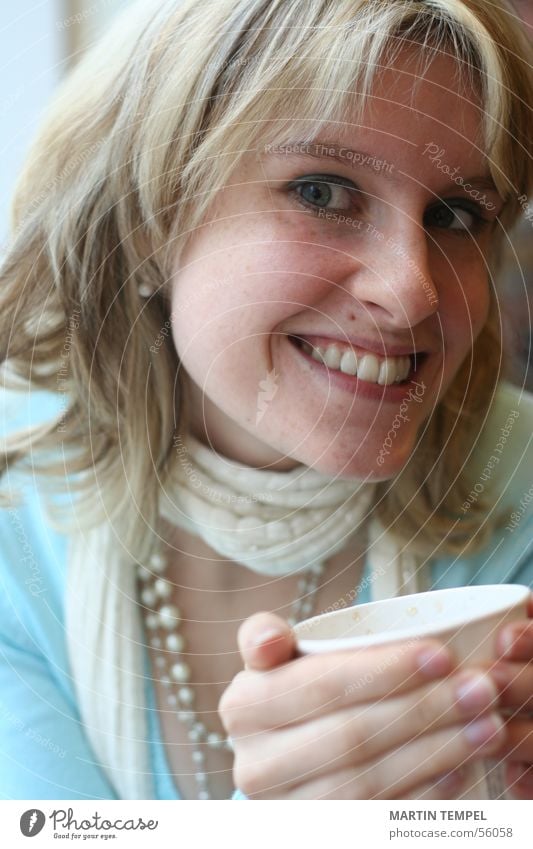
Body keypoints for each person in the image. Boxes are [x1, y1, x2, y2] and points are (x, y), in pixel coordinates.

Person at [0, 0, 532, 802]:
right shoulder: (15, 518)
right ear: (151, 221)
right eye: (321, 191)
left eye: (455, 215)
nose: (410, 289)